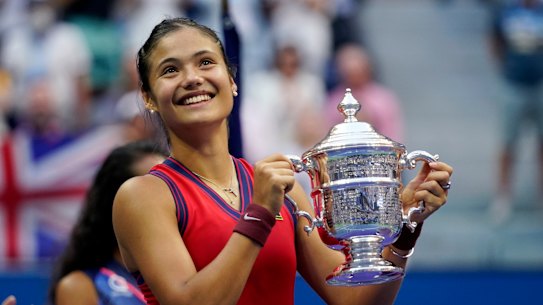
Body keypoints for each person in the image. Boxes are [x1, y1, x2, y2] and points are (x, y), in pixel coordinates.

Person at [112, 17, 453, 305]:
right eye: (170, 70)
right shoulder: (143, 196)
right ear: (149, 97)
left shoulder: (283, 191)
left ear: (232, 81)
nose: (192, 78)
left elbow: (355, 300)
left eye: (205, 62)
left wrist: (406, 227)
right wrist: (259, 213)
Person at [48, 140, 167, 305]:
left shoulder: (192, 276)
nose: (170, 198)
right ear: (117, 202)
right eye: (154, 188)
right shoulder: (81, 287)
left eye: (173, 186)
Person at [488, 0, 543, 224]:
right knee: (508, 143)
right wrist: (505, 67)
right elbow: (494, 40)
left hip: (540, 83)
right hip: (513, 83)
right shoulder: (507, 12)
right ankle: (503, 196)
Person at [325, 43, 404, 143]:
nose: (354, 77)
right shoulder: (334, 101)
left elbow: (393, 133)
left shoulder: (384, 99)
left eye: (357, 72)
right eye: (350, 74)